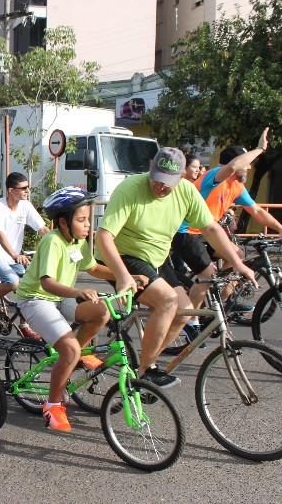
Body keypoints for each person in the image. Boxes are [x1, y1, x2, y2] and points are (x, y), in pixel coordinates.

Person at [95, 146, 256, 388]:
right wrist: (122, 275)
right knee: (167, 301)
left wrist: (237, 263)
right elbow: (104, 236)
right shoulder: (130, 189)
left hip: (156, 258)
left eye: (168, 182)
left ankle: (146, 364)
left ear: (182, 176)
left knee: (185, 312)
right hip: (122, 255)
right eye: (157, 178)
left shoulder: (187, 191)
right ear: (151, 166)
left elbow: (210, 228)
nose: (161, 186)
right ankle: (147, 372)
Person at [17, 187, 148, 432]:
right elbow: (47, 283)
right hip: (36, 299)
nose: (88, 225)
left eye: (88, 219)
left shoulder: (77, 242)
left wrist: (127, 276)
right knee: (69, 350)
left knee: (102, 312)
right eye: (82, 220)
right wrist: (78, 292)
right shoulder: (52, 241)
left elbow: (94, 268)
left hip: (60, 297)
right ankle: (53, 405)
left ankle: (78, 353)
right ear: (63, 222)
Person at [172, 127, 282, 313]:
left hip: (207, 233)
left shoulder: (237, 186)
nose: (249, 167)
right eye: (247, 163)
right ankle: (191, 321)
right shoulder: (214, 175)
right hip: (186, 232)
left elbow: (256, 211)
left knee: (237, 254)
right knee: (208, 276)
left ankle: (221, 302)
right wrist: (260, 149)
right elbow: (232, 167)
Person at [0, 172, 49, 339]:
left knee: (30, 287)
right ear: (10, 190)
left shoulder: (25, 206)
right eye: (23, 188)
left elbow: (42, 229)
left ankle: (24, 325)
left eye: (28, 187)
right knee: (12, 281)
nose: (27, 191)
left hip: (12, 257)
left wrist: (60, 243)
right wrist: (15, 255)